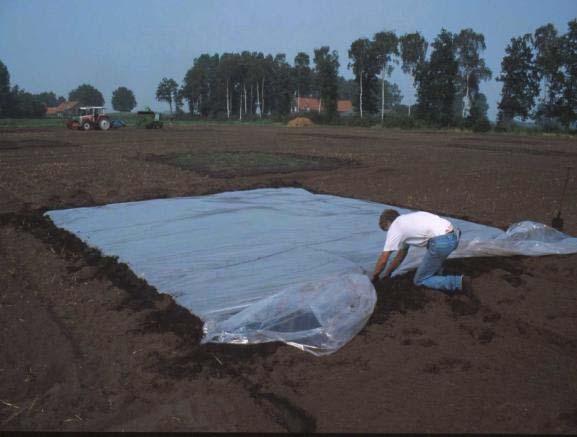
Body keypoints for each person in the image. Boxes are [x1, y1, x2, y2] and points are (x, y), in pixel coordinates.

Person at [371, 209, 472, 293]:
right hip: (453, 236)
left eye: (387, 229)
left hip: (441, 242)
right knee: (432, 252)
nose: (389, 232)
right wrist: (388, 273)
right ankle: (438, 276)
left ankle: (459, 282)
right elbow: (400, 256)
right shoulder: (407, 221)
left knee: (420, 280)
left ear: (388, 223)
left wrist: (375, 276)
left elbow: (383, 259)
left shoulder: (395, 227)